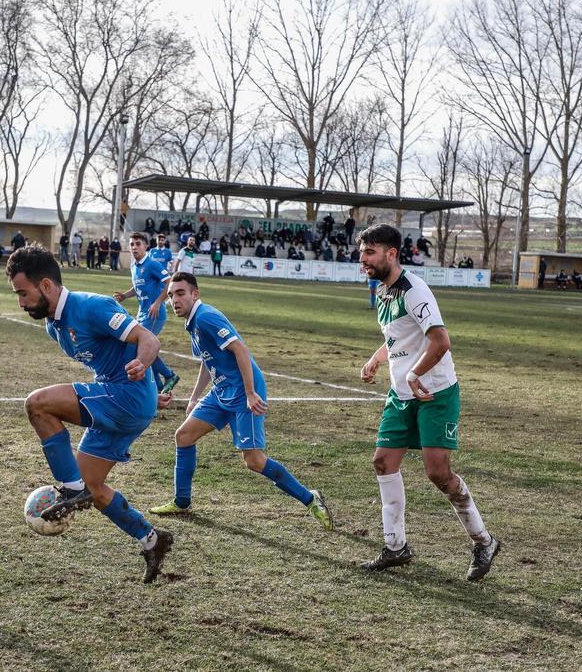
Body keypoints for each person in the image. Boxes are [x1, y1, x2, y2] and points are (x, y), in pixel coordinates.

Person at [6, 246, 174, 583]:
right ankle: (152, 539)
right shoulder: (54, 326)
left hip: (125, 395)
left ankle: (70, 489)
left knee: (37, 404)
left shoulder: (91, 306)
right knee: (93, 487)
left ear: (47, 286)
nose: (20, 302)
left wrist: (142, 364)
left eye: (23, 293)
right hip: (120, 401)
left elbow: (148, 338)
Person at [356, 223, 499, 581]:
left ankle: (483, 540)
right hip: (403, 394)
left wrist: (414, 374)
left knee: (438, 474)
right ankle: (395, 547)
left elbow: (440, 341)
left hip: (434, 392)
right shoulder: (385, 292)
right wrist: (377, 358)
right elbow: (399, 337)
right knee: (383, 463)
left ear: (392, 253)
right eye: (361, 252)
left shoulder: (413, 290)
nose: (363, 259)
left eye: (370, 252)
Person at [149, 272, 335, 529]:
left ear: (195, 294)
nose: (174, 300)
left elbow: (240, 350)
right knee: (184, 436)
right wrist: (193, 399)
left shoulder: (206, 317)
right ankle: (182, 502)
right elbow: (208, 359)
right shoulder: (193, 322)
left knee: (254, 461)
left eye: (180, 293)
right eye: (170, 295)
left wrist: (249, 393)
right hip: (221, 391)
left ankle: (310, 498)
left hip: (243, 393)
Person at [113, 232, 179, 394]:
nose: (134, 247)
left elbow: (169, 282)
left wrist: (158, 302)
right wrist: (124, 296)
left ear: (145, 246)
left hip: (155, 314)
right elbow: (137, 287)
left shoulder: (152, 264)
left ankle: (169, 375)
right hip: (142, 313)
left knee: (143, 346)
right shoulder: (134, 265)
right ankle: (159, 387)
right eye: (132, 244)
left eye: (138, 244)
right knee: (141, 348)